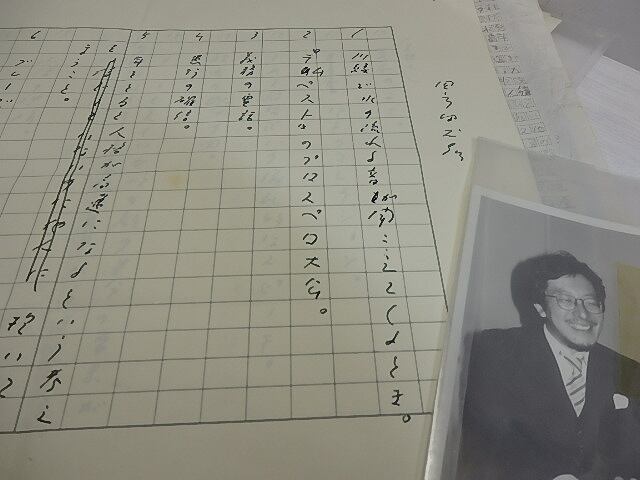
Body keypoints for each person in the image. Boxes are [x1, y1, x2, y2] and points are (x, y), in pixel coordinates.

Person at [457, 251, 640, 480]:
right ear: (541, 308)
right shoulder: (496, 352)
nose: (583, 314)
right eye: (566, 301)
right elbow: (481, 445)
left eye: (592, 302)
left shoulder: (629, 370)